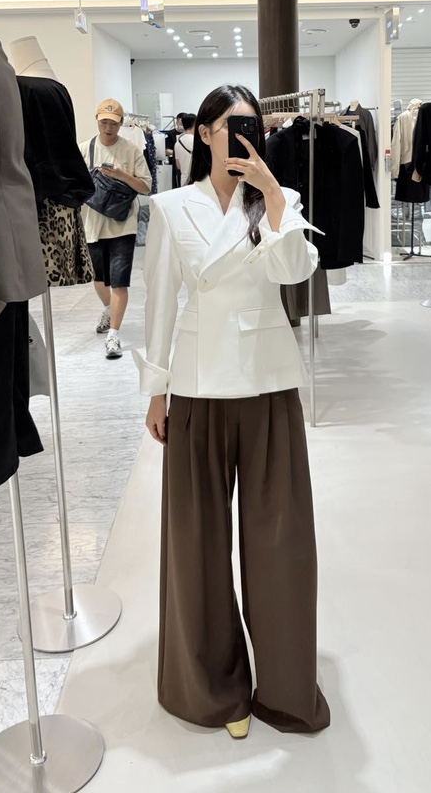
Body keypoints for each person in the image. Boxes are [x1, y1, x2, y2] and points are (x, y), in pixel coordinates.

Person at [135, 84, 331, 739]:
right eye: (229, 124)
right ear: (203, 132)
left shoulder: (279, 201)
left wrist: (272, 195)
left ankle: (285, 687)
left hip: (267, 384)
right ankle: (211, 689)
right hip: (197, 387)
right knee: (197, 546)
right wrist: (157, 389)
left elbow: (294, 271)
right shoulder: (170, 208)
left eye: (253, 125)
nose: (242, 135)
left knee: (281, 542)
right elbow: (160, 301)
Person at [80, 98, 152, 359]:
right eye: (104, 122)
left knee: (119, 283)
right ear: (97, 121)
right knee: (98, 278)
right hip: (92, 224)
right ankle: (109, 309)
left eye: (113, 123)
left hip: (123, 225)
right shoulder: (84, 149)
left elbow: (146, 187)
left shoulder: (131, 150)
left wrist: (121, 175)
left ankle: (114, 335)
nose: (108, 127)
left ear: (121, 123)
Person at [173, 112, 196, 185]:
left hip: (183, 181)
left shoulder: (177, 142)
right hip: (195, 180)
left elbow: (178, 165)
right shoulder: (196, 141)